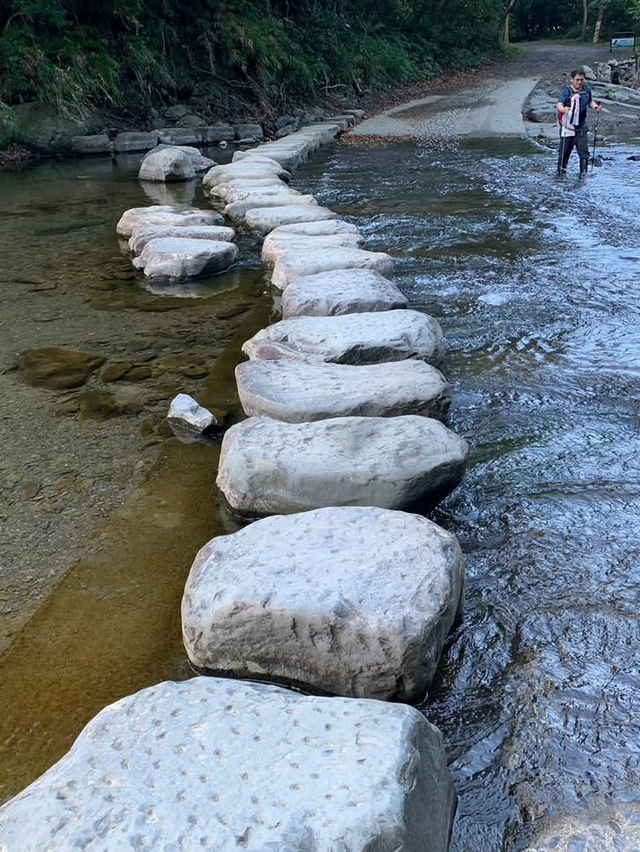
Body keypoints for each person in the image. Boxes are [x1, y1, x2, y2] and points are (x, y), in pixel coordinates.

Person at [557, 68, 601, 179]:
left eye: (582, 79)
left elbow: (590, 101)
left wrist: (595, 107)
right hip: (568, 128)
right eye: (577, 80)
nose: (580, 82)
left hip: (581, 127)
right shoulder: (566, 92)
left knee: (584, 154)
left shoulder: (586, 90)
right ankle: (560, 176)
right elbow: (559, 104)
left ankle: (583, 176)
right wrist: (563, 109)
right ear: (572, 79)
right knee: (564, 154)